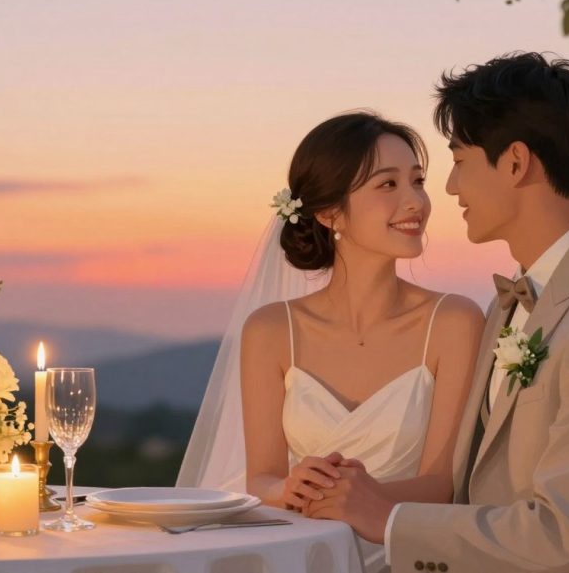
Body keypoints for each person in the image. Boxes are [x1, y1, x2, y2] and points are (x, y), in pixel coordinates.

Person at [304, 52, 569, 573]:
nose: (449, 187)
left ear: (515, 163)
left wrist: (387, 517)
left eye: (459, 161)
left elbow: (562, 536)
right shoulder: (511, 300)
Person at [179, 110, 485, 571]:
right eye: (388, 184)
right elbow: (262, 477)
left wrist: (356, 499)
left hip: (404, 556)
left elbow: (441, 484)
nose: (416, 202)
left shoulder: (454, 321)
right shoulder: (270, 330)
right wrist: (288, 488)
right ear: (329, 213)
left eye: (417, 181)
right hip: (302, 554)